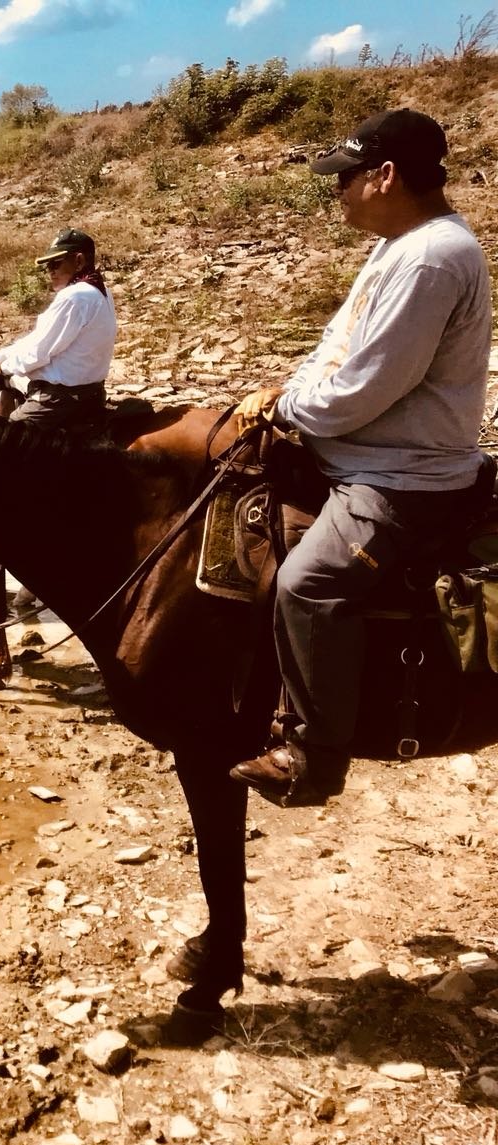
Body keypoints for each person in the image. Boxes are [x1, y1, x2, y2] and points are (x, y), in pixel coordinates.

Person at [229, 109, 493, 806]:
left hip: (400, 471)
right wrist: (287, 391)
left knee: (308, 585)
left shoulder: (434, 257)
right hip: (354, 444)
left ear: (385, 176)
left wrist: (287, 408)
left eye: (345, 178)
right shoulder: (400, 245)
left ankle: (314, 755)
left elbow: (366, 388)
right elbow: (336, 346)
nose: (337, 192)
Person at [0, 227, 116, 433]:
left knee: (1, 441)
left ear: (79, 261)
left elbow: (38, 352)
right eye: (48, 266)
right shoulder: (100, 291)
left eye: (56, 264)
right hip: (90, 392)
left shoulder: (74, 297)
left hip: (59, 399)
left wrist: (4, 367)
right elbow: (38, 339)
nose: (51, 271)